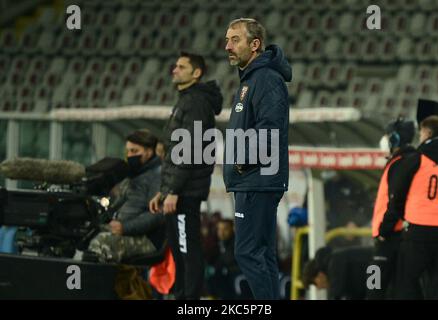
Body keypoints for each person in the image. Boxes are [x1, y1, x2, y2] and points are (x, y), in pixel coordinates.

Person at [223, 18, 292, 299]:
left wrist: (242, 162)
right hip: (255, 179)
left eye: (235, 40)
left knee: (247, 252)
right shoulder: (252, 78)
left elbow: (270, 130)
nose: (227, 46)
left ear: (255, 45)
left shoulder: (265, 79)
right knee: (262, 254)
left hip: (256, 179)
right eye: (227, 40)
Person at [149, 52, 223, 300]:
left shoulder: (195, 103)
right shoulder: (186, 100)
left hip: (186, 192)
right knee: (180, 249)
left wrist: (174, 191)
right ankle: (181, 295)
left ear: (196, 73)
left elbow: (189, 149)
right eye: (175, 66)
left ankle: (188, 300)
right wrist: (165, 189)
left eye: (181, 67)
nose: (174, 70)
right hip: (178, 190)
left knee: (187, 248)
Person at [392, 115, 438, 299]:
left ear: (428, 132)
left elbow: (396, 193)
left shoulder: (414, 159)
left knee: (400, 281)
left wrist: (396, 219)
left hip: (413, 231)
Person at [87, 129, 164, 263]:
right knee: (84, 234)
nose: (129, 155)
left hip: (145, 238)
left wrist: (125, 228)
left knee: (100, 244)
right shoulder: (132, 176)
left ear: (149, 152)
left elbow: (156, 215)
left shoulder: (158, 176)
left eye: (134, 151)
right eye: (127, 151)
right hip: (124, 231)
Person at [367, 118, 416, 299]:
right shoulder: (409, 161)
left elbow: (396, 201)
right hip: (401, 236)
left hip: (389, 238)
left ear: (394, 139)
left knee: (374, 289)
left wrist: (383, 229)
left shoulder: (399, 164)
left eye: (388, 136)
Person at [303, 246, 373, 300]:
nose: (318, 288)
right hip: (376, 273)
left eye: (314, 283)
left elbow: (336, 294)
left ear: (319, 275)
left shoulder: (334, 264)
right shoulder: (335, 262)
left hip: (378, 269)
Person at [206, 219, 241, 299]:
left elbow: (228, 259)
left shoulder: (235, 243)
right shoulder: (217, 243)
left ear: (232, 229)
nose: (221, 232)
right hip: (224, 273)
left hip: (235, 272)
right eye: (219, 229)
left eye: (225, 229)